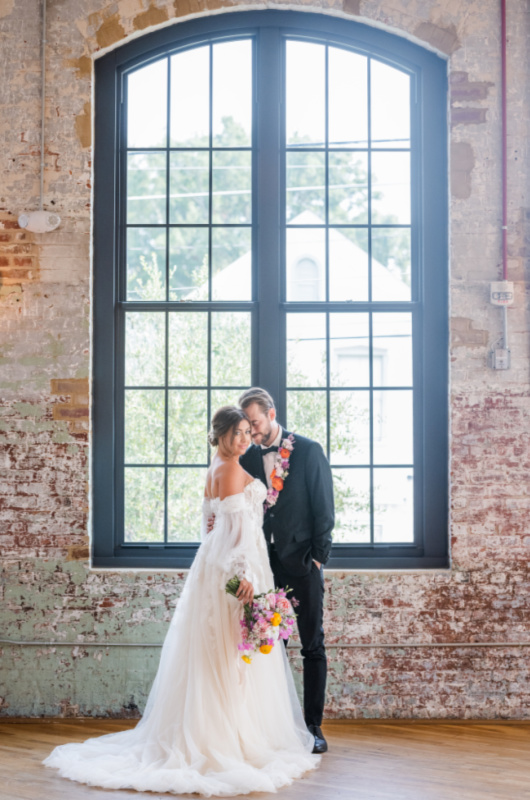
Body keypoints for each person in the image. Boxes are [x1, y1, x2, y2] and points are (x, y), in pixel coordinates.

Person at [42, 406, 320, 796]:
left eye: (247, 431)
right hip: (235, 574)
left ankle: (221, 729)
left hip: (215, 569)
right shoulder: (230, 470)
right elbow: (236, 535)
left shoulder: (216, 468)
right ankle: (225, 739)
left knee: (216, 653)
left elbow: (211, 526)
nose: (244, 439)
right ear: (222, 435)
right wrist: (245, 578)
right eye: (237, 433)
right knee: (228, 655)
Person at [238, 387, 334, 755]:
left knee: (312, 645)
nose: (253, 432)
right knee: (267, 644)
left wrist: (317, 557)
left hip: (302, 562)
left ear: (272, 413)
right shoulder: (246, 457)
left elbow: (324, 507)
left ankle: (313, 726)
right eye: (248, 426)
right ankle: (272, 726)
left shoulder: (308, 451)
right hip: (264, 565)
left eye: (257, 423)